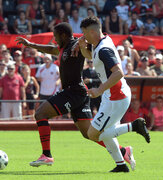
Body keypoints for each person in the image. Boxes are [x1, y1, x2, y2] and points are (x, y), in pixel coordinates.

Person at [16, 22, 137, 171]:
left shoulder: (75, 44)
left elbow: (87, 46)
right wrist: (31, 45)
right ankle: (124, 151)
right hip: (78, 93)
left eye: (56, 36)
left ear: (64, 35)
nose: (54, 39)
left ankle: (46, 155)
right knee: (89, 133)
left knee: (40, 113)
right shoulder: (63, 47)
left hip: (74, 92)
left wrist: (81, 45)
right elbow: (53, 49)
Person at [79, 16, 150, 172]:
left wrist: (99, 89)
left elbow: (119, 73)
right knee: (105, 131)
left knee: (93, 134)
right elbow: (94, 57)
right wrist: (84, 48)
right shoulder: (100, 42)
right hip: (111, 95)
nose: (83, 36)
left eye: (84, 33)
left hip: (116, 96)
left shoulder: (104, 49)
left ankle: (134, 126)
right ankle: (121, 165)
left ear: (92, 32)